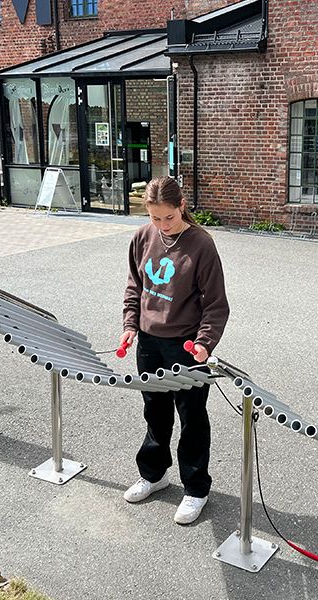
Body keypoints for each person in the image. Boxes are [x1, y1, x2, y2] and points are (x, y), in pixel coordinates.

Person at [120, 176, 229, 525]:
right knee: (155, 411)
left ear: (182, 205)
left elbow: (216, 305)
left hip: (185, 345)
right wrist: (129, 325)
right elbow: (134, 287)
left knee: (192, 416)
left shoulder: (201, 245)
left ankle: (196, 488)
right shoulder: (142, 237)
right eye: (155, 218)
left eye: (168, 217)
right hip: (149, 342)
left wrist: (204, 343)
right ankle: (154, 474)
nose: (162, 225)